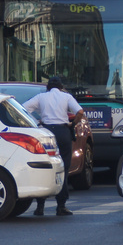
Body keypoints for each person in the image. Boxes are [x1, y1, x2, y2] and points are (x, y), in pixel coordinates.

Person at [23, 75, 84, 217]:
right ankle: (61, 206)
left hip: (46, 132)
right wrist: (73, 124)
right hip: (63, 133)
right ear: (61, 87)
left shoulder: (41, 97)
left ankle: (40, 206)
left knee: (44, 167)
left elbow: (24, 109)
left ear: (48, 87)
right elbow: (80, 112)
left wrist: (36, 123)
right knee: (63, 168)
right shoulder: (66, 97)